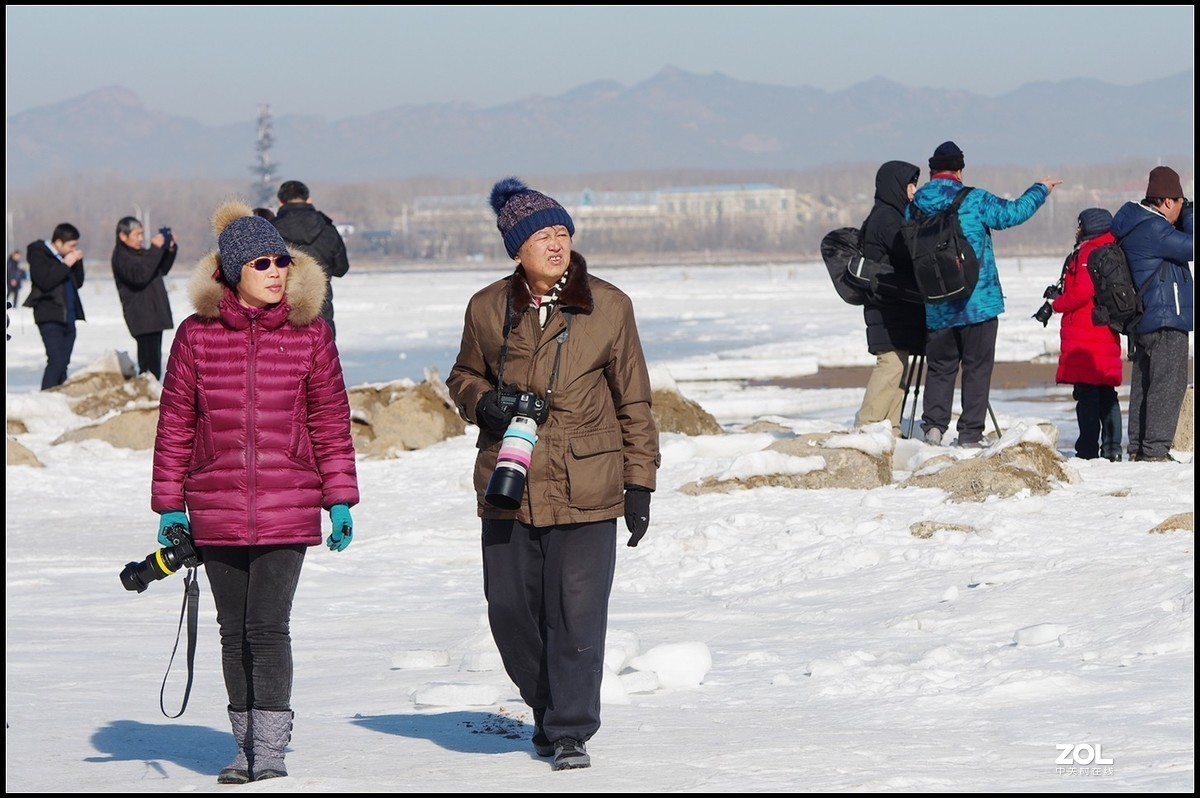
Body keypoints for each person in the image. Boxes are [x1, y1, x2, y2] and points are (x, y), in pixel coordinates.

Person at [446, 178, 660, 772]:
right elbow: (462, 376)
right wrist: (485, 402)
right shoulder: (487, 307)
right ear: (517, 248)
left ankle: (569, 729)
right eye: (542, 236)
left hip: (587, 482)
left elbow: (634, 402)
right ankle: (546, 705)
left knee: (577, 613)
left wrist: (639, 483)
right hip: (508, 482)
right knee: (508, 608)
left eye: (562, 233)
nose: (556, 245)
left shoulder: (608, 306)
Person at [151, 201, 359, 783]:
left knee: (267, 627)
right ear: (234, 271)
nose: (276, 272)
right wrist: (170, 505)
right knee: (230, 629)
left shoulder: (310, 335)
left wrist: (338, 496)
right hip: (214, 501)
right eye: (263, 263)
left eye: (282, 262)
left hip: (288, 499)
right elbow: (174, 425)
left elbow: (330, 421)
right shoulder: (195, 337)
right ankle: (241, 746)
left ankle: (267, 751)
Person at [913, 141, 1061, 448]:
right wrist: (1041, 189)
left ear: (931, 171)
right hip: (977, 302)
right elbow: (1013, 213)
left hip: (937, 304)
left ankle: (933, 430)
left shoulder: (915, 204)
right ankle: (969, 434)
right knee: (976, 369)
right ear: (959, 170)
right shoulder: (975, 199)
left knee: (940, 368)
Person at [1110, 165, 1194, 463]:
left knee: (1145, 383)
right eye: (1181, 204)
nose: (1182, 210)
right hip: (1165, 316)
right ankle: (1156, 450)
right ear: (1169, 201)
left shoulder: (1135, 223)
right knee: (1168, 383)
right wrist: (1191, 217)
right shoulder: (1154, 229)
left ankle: (1138, 448)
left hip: (1146, 318)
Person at [1049, 208, 1123, 461]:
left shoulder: (1088, 252)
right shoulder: (1112, 249)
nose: (1077, 229)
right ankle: (1113, 449)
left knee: (1087, 395)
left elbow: (1081, 292)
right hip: (1105, 330)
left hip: (1086, 333)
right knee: (1107, 394)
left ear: (1089, 227)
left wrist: (1056, 304)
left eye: (1080, 224)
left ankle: (1087, 451)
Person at [857, 160, 924, 436]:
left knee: (899, 365)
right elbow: (906, 250)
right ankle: (869, 425)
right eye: (910, 185)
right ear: (896, 186)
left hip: (895, 306)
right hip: (886, 307)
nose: (914, 191)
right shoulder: (886, 218)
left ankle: (891, 427)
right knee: (891, 364)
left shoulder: (893, 215)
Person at [272, 180, 350, 338]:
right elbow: (341, 268)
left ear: (280, 202)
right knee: (322, 359)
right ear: (309, 200)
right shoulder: (328, 230)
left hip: (280, 310)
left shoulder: (270, 230)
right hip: (320, 309)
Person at [110, 217, 178, 380]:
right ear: (123, 236)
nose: (141, 238)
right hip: (142, 316)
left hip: (153, 315)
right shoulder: (121, 256)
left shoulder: (140, 253)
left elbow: (160, 269)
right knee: (148, 365)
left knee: (155, 362)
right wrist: (155, 248)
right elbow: (140, 276)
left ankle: (151, 395)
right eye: (137, 234)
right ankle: (147, 397)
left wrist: (169, 249)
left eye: (142, 234)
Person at [22, 223, 86, 390]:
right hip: (50, 316)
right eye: (71, 246)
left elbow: (77, 283)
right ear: (58, 242)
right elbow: (44, 282)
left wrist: (77, 263)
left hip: (69, 317)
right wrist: (65, 264)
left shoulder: (66, 259)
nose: (73, 249)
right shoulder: (38, 254)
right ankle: (46, 398)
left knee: (63, 363)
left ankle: (59, 399)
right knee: (56, 361)